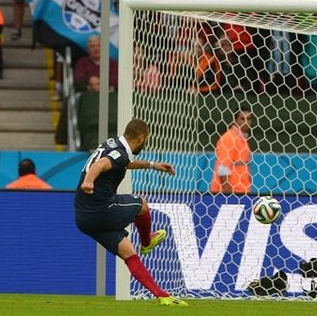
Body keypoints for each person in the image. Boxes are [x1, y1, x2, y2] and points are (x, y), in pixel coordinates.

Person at [75, 119, 188, 307]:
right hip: (101, 210)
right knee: (142, 204)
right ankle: (147, 242)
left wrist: (152, 165)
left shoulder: (113, 145)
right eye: (146, 139)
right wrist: (89, 180)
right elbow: (100, 165)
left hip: (84, 218)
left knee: (128, 252)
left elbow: (125, 163)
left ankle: (162, 296)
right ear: (142, 137)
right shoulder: (117, 153)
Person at [211, 106, 253, 194]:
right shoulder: (229, 138)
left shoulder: (242, 139)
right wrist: (228, 196)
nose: (246, 122)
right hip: (230, 193)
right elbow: (223, 168)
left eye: (249, 119)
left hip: (241, 191)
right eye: (242, 119)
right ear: (235, 120)